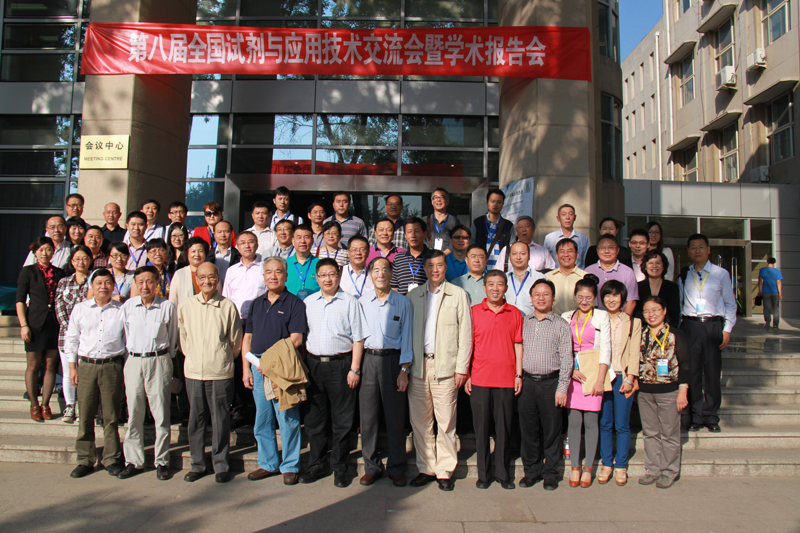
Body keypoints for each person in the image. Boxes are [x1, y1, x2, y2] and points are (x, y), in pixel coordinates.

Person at [406, 250, 472, 491]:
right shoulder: (413, 296)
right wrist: (405, 367)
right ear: (424, 268)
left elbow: (466, 334)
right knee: (421, 422)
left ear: (446, 268)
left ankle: (445, 470)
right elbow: (406, 335)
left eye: (440, 265)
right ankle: (426, 468)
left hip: (445, 367)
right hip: (418, 367)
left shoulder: (458, 294)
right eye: (431, 265)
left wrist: (461, 368)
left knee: (445, 422)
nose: (435, 270)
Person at [300, 258, 368, 488]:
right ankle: (316, 464)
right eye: (323, 275)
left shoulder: (350, 302)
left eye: (332, 274)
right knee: (315, 419)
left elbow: (358, 338)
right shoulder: (309, 302)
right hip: (314, 366)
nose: (327, 279)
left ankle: (340, 467)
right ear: (316, 278)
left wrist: (354, 369)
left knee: (342, 420)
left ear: (338, 276)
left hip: (341, 365)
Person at [242, 256, 308, 486]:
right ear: (263, 276)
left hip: (282, 369)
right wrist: (246, 368)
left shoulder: (294, 303)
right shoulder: (256, 304)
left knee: (287, 418)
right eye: (269, 272)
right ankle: (268, 463)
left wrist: (269, 363)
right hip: (257, 367)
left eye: (278, 272)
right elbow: (247, 338)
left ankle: (290, 465)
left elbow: (296, 339)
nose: (273, 276)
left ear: (286, 276)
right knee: (262, 418)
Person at [179, 262, 243, 483]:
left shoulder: (227, 306)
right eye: (202, 277)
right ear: (197, 280)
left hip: (219, 372)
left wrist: (220, 358)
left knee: (220, 420)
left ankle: (221, 464)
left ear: (218, 279)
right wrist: (194, 357)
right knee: (196, 420)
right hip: (194, 372)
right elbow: (183, 338)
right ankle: (197, 464)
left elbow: (235, 342)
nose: (207, 281)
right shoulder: (187, 305)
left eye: (211, 277)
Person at [64, 269, 126, 478]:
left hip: (112, 366)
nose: (103, 287)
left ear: (113, 286)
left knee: (111, 416)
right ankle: (85, 459)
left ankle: (111, 458)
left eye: (107, 283)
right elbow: (72, 339)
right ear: (92, 286)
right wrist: (72, 367)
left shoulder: (121, 310)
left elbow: (127, 341)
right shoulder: (80, 309)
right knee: (86, 414)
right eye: (99, 283)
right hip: (86, 366)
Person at [118, 266, 178, 481]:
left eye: (149, 281)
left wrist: (166, 359)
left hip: (159, 360)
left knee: (160, 413)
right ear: (135, 284)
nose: (145, 286)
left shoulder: (167, 307)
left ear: (157, 283)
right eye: (140, 282)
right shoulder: (128, 307)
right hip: (134, 360)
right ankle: (133, 461)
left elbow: (173, 337)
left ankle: (161, 461)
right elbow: (124, 336)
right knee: (134, 412)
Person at [358, 257, 413, 487]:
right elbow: (357, 338)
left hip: (393, 362)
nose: (380, 274)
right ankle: (371, 466)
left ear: (391, 274)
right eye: (376, 270)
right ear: (370, 275)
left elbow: (407, 338)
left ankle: (396, 467)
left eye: (385, 270)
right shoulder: (361, 302)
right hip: (368, 361)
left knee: (395, 417)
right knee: (368, 418)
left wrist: (404, 370)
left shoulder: (403, 302)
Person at [466, 270, 523, 490]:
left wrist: (518, 374)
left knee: (504, 429)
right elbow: (467, 345)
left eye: (500, 284)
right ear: (484, 288)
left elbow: (518, 345)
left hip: (506, 380)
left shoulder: (515, 313)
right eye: (491, 284)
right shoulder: (473, 312)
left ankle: (503, 473)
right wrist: (467, 374)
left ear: (506, 288)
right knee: (481, 430)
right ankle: (483, 474)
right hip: (480, 378)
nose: (495, 288)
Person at [678, 234, 736, 433]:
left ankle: (711, 416)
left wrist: (727, 329)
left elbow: (730, 305)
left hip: (712, 325)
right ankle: (696, 416)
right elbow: (680, 303)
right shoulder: (684, 274)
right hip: (690, 326)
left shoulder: (721, 274)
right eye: (693, 247)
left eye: (701, 247)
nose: (697, 251)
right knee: (692, 372)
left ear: (708, 249)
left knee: (712, 373)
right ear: (688, 251)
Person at [518, 279, 573, 491]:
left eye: (546, 294)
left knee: (551, 431)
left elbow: (567, 360)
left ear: (553, 298)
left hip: (551, 383)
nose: (541, 298)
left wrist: (562, 388)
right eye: (537, 294)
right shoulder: (524, 322)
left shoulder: (561, 325)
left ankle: (550, 473)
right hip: (527, 383)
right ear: (531, 298)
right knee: (528, 431)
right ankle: (531, 471)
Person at [561, 275, 611, 489]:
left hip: (593, 373)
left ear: (595, 298)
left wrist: (600, 379)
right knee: (573, 421)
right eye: (580, 297)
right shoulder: (565, 317)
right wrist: (570, 370)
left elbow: (606, 349)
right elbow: (562, 347)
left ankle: (588, 467)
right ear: (574, 297)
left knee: (591, 421)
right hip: (572, 374)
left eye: (588, 298)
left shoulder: (601, 316)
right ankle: (575, 466)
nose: (584, 301)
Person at [638, 295, 690, 489]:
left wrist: (683, 391)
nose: (651, 314)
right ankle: (652, 470)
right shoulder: (640, 333)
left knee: (669, 433)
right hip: (645, 392)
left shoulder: (675, 334)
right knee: (650, 433)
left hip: (669, 391)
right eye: (647, 311)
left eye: (655, 310)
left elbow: (686, 364)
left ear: (664, 311)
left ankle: (669, 472)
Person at [597, 280, 642, 487]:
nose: (611, 299)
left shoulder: (633, 322)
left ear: (623, 298)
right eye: (607, 295)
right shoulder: (597, 319)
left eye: (615, 295)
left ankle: (621, 465)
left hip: (622, 377)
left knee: (622, 424)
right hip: (602, 376)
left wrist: (631, 378)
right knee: (605, 423)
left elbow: (634, 352)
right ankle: (606, 463)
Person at [17, 237, 66, 421]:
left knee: (50, 365)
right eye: (41, 250)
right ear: (35, 252)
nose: (45, 253)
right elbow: (20, 300)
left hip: (54, 324)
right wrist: (24, 325)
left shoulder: (59, 272)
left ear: (53, 252)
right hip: (34, 323)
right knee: (33, 365)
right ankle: (34, 404)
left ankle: (46, 404)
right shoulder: (28, 271)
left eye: (48, 249)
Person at [54, 245, 93, 424]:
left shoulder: (94, 281)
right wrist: (71, 329)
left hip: (88, 335)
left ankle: (84, 408)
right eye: (77, 259)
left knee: (85, 374)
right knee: (68, 372)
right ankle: (70, 405)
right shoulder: (64, 282)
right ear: (72, 261)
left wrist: (81, 329)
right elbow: (59, 307)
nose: (81, 262)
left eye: (84, 258)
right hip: (66, 335)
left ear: (90, 260)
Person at [584, 235, 638, 315]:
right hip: (593, 319)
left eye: (611, 247)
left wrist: (623, 320)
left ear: (617, 250)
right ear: (597, 250)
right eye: (603, 248)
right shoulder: (588, 271)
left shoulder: (627, 272)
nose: (607, 251)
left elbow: (631, 301)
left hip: (619, 319)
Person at [222, 231, 266, 323]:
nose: (247, 246)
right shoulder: (231, 270)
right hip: (236, 320)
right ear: (237, 247)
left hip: (259, 319)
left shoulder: (265, 268)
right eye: (242, 243)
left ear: (257, 245)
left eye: (250, 242)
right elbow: (226, 297)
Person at [470, 189, 515, 271]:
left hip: (502, 270)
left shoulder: (508, 225)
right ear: (487, 203)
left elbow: (512, 248)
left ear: (503, 204)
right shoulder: (478, 223)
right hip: (481, 269)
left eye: (499, 202)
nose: (495, 204)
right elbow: (471, 245)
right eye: (492, 201)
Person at [635, 251, 681, 327]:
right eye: (651, 263)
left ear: (663, 266)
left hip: (667, 329)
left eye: (658, 263)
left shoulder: (672, 287)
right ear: (645, 266)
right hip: (642, 328)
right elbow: (636, 313)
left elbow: (674, 313)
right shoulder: (637, 287)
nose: (654, 266)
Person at [546, 239, 587, 315]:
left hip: (579, 321)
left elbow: (592, 305)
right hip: (555, 320)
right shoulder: (548, 278)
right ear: (557, 256)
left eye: (570, 251)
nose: (566, 255)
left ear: (577, 255)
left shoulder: (585, 277)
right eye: (562, 251)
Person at [169, 237, 211, 310]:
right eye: (193, 251)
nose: (197, 254)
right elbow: (172, 302)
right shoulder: (179, 274)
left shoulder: (212, 273)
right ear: (187, 254)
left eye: (200, 251)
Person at [543, 204, 590, 269]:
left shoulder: (583, 238)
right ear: (558, 218)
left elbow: (586, 262)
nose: (567, 217)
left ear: (575, 217)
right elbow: (546, 261)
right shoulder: (550, 238)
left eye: (571, 214)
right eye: (564, 214)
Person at [505, 242, 545, 316]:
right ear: (509, 257)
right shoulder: (503, 279)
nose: (518, 257)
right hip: (507, 321)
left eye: (522, 254)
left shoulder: (540, 278)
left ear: (529, 256)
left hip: (532, 321)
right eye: (514, 254)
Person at [391, 217, 429, 294]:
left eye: (417, 231)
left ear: (425, 234)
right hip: (402, 301)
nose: (413, 235)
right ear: (405, 235)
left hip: (426, 300)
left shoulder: (433, 257)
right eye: (409, 232)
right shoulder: (398, 258)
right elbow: (394, 287)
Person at [286, 225, 320, 300]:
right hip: (289, 305)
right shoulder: (285, 264)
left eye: (306, 237)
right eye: (299, 237)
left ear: (312, 241)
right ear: (293, 241)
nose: (303, 241)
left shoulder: (320, 264)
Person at [207, 220, 240, 286]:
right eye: (219, 232)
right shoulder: (208, 255)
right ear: (214, 235)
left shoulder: (239, 255)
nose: (223, 235)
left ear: (231, 234)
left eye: (226, 232)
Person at [427, 188, 459, 253]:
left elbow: (457, 240)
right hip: (428, 257)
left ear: (447, 202)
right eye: (436, 197)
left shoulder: (454, 221)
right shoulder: (425, 220)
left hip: (448, 257)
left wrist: (443, 254)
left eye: (442, 197)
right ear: (432, 202)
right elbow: (421, 240)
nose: (438, 200)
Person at [758, 257, 783, 330]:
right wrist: (780, 294)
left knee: (766, 308)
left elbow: (760, 281)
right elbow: (778, 282)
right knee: (775, 308)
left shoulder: (762, 270)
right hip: (775, 292)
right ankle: (775, 324)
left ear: (767, 262)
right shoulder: (777, 271)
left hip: (765, 292)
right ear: (774, 263)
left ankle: (767, 318)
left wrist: (759, 291)